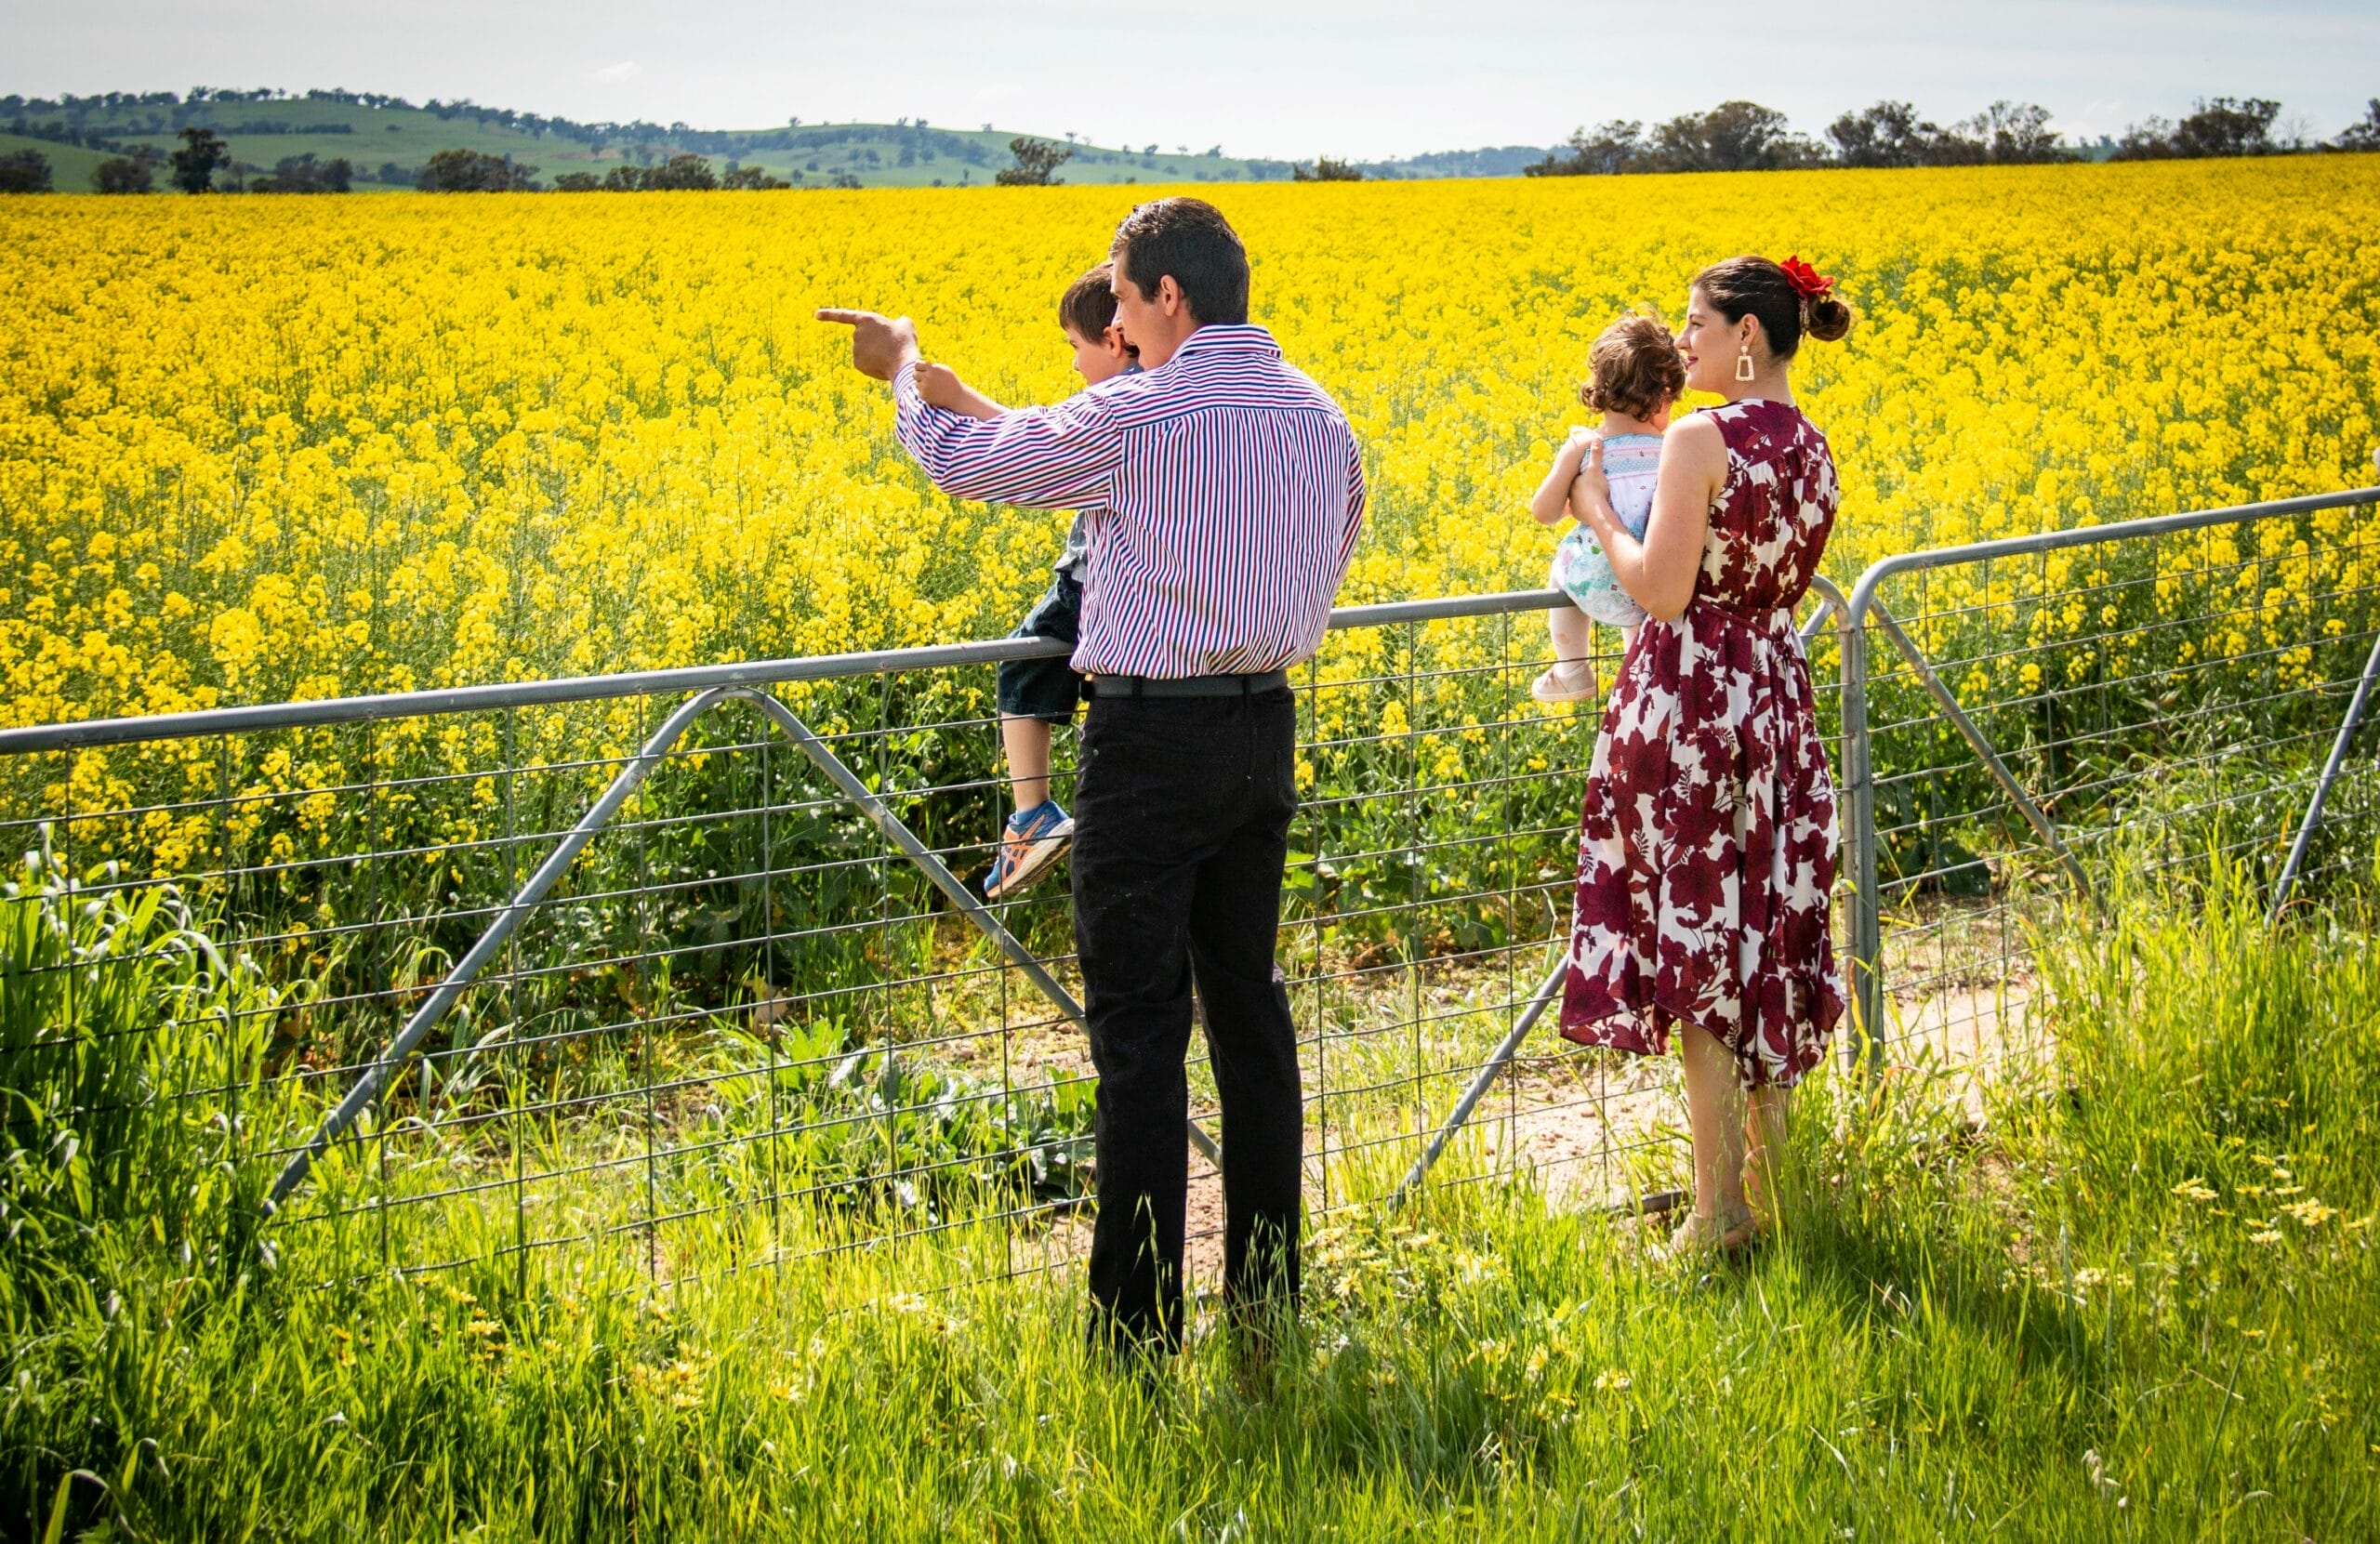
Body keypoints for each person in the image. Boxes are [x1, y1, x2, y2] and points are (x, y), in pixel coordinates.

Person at [817, 197, 1367, 1357]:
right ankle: (1269, 1304)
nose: (1112, 317)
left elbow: (969, 463)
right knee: (1252, 1021)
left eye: (1118, 297)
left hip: (1150, 744)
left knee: (1137, 1036)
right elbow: (1330, 537)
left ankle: (1136, 1335)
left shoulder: (1146, 410)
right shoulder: (1322, 416)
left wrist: (905, 368)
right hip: (1265, 725)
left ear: (1168, 295)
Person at [1555, 255, 1855, 1256]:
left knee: (1697, 949)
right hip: (1771, 695)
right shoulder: (1811, 444)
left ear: (1747, 338)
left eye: (1696, 324)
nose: (1681, 342)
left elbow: (1661, 590)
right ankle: (1775, 1192)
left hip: (1687, 704)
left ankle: (1715, 1207)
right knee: (1763, 935)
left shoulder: (1697, 437)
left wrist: (1597, 508)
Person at [907, 263, 1140, 899]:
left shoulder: (1121, 404)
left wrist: (924, 386)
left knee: (1019, 664)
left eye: (1075, 347)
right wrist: (962, 398)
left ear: (1114, 340)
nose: (1072, 365)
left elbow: (1015, 451)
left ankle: (1032, 812)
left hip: (1093, 583)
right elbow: (1033, 438)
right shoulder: (1173, 390)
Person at [1526, 312, 1687, 704]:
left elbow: (1544, 512)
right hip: (1651, 580)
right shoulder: (1674, 452)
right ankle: (1639, 676)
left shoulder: (1586, 446)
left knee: (1560, 573)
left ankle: (1572, 669)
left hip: (1593, 578)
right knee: (1641, 611)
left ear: (1599, 389)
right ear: (1664, 396)